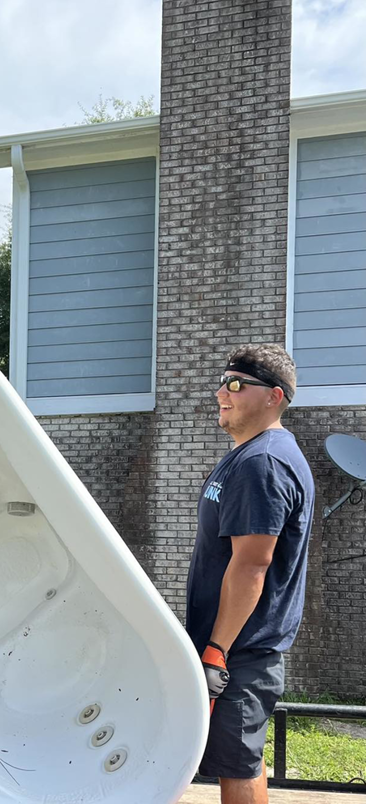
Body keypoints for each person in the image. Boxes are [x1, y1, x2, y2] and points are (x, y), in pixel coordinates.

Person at [186, 343, 314, 804]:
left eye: (236, 384)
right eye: (223, 381)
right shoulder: (250, 454)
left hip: (239, 652)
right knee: (241, 761)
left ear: (273, 396)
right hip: (232, 648)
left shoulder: (263, 463)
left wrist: (217, 652)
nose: (223, 391)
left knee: (237, 767)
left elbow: (252, 565)